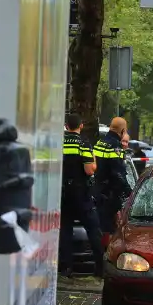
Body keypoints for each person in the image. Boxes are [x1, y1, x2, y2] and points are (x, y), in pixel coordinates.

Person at [59, 113, 103, 277]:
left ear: (66, 126)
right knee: (93, 229)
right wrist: (94, 161)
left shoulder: (59, 142)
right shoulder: (83, 143)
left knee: (65, 230)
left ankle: (66, 267)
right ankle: (99, 268)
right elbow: (89, 169)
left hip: (63, 192)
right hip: (81, 193)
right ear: (81, 126)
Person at [93, 117, 132, 240]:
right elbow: (118, 173)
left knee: (100, 225)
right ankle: (106, 254)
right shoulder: (115, 146)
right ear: (123, 130)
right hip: (110, 193)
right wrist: (129, 192)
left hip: (98, 190)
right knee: (110, 228)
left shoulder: (100, 142)